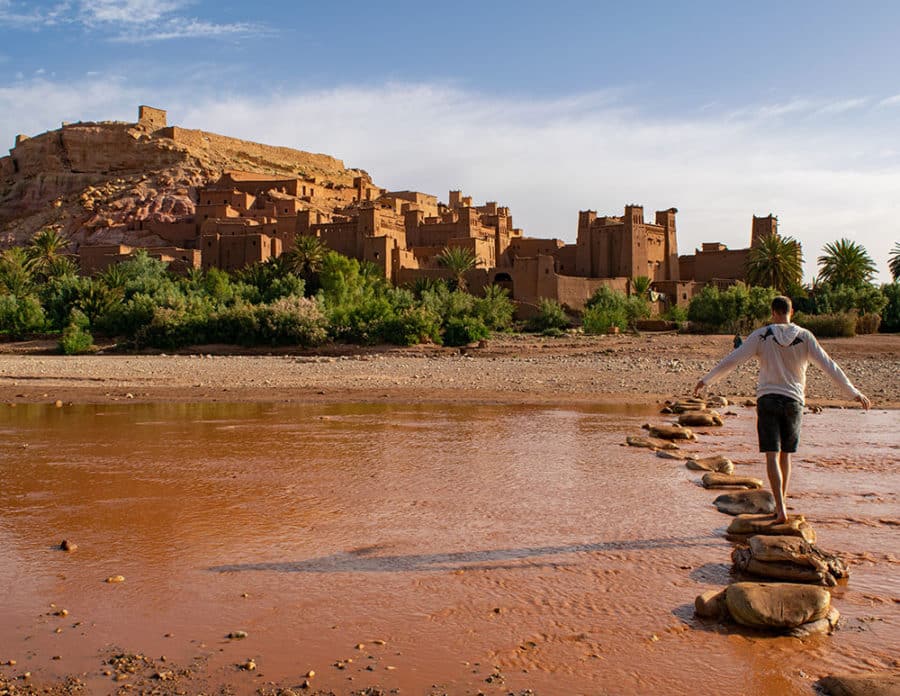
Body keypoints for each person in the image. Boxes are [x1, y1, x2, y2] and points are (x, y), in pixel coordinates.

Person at [693, 295, 870, 523]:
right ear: (791, 312)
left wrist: (706, 380)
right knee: (786, 457)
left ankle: (781, 508)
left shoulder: (762, 335)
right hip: (793, 402)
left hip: (768, 399)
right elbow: (829, 365)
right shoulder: (805, 336)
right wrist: (853, 392)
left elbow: (733, 359)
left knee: (771, 456)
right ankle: (781, 505)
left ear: (773, 312)